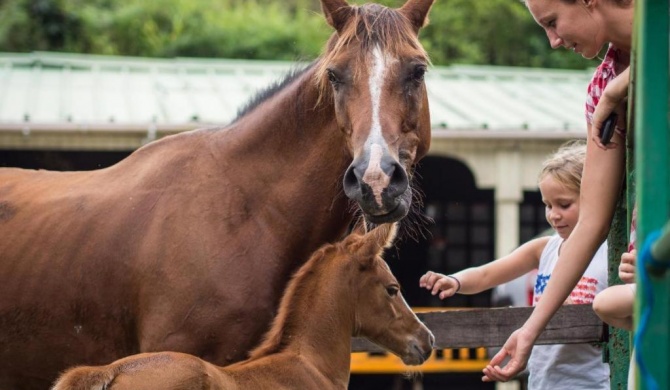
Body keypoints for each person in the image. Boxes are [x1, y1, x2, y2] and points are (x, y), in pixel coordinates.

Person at [481, 0, 634, 382]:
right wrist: (531, 329)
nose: (552, 41)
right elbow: (591, 223)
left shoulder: (614, 87)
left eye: (552, 22)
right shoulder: (600, 88)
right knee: (612, 302)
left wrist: (623, 87)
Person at [420, 141, 610, 389]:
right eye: (548, 205)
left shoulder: (611, 253)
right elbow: (488, 273)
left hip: (593, 381)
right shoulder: (545, 248)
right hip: (544, 381)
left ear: (593, 200)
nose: (553, 215)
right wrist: (456, 281)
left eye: (564, 205)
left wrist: (582, 314)